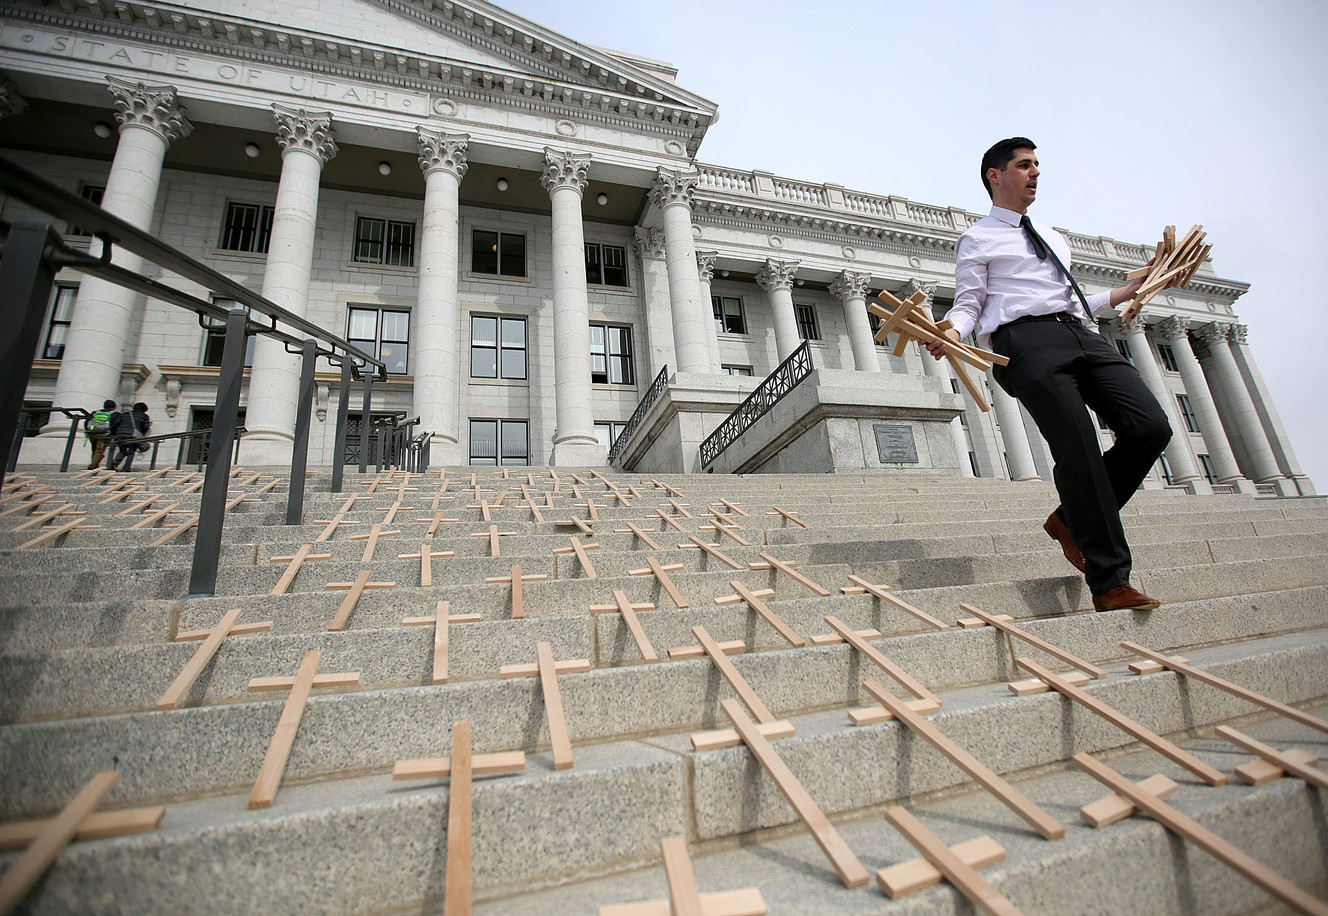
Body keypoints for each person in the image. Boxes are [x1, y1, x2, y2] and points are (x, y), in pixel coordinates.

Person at [927, 137, 1171, 612]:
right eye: (1023, 165)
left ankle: (1069, 520)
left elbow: (1074, 301)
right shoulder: (978, 238)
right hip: (1026, 343)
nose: (1034, 172)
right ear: (995, 176)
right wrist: (954, 331)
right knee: (1078, 447)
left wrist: (1128, 290)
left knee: (1149, 427)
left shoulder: (1052, 237)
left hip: (1080, 333)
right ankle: (1110, 581)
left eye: (1037, 165)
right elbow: (970, 301)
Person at [109, 401, 151, 472]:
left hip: (121, 434)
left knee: (122, 450)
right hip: (133, 435)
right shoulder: (144, 416)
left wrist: (117, 432)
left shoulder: (126, 414)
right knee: (131, 452)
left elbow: (116, 423)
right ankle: (126, 468)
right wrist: (141, 434)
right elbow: (145, 427)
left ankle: (116, 462)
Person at [84, 398, 117, 469]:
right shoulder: (114, 414)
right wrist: (113, 434)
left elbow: (87, 421)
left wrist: (88, 430)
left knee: (94, 449)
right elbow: (116, 424)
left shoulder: (95, 412)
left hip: (92, 433)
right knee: (99, 450)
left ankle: (94, 464)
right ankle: (92, 466)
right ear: (114, 407)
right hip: (104, 434)